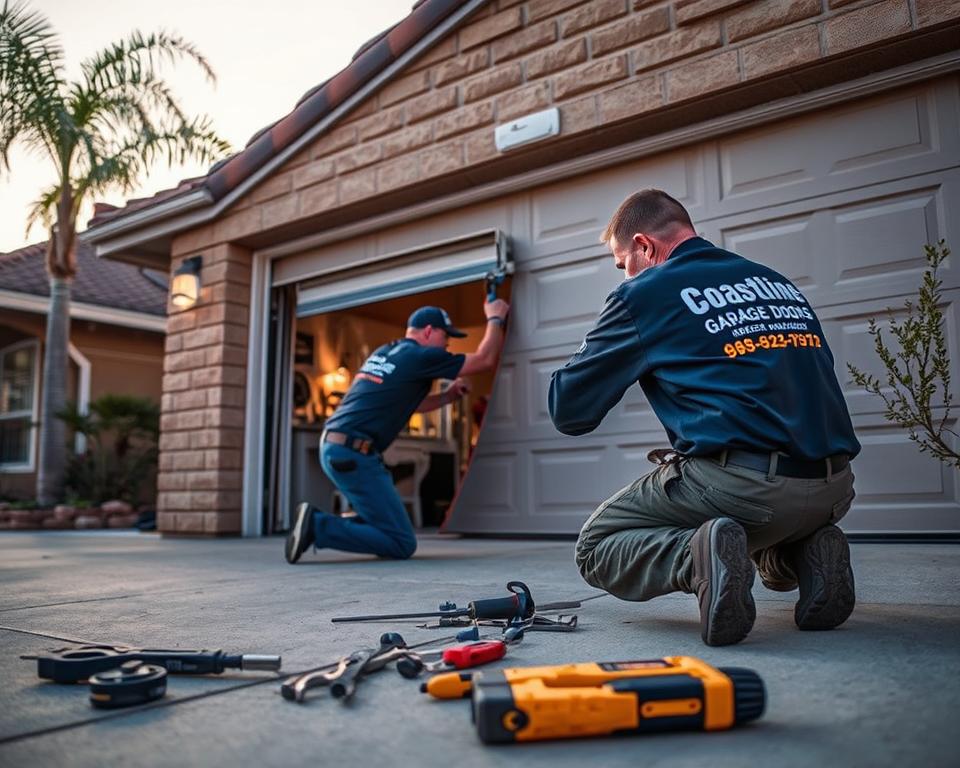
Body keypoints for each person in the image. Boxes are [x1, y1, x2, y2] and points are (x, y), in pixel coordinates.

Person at [549, 189, 860, 646]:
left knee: (598, 544)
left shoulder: (644, 294)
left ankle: (697, 560)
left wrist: (610, 334)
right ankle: (805, 552)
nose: (625, 274)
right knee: (737, 531)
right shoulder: (775, 283)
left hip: (744, 487)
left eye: (623, 263)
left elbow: (570, 410)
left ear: (644, 246)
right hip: (833, 488)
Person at [286, 300, 509, 563]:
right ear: (428, 331)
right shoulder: (421, 356)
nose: (447, 344)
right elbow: (484, 360)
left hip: (337, 446)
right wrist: (495, 318)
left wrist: (446, 398)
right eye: (445, 336)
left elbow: (408, 403)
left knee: (384, 522)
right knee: (401, 542)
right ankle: (318, 526)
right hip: (353, 453)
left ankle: (319, 524)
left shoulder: (387, 352)